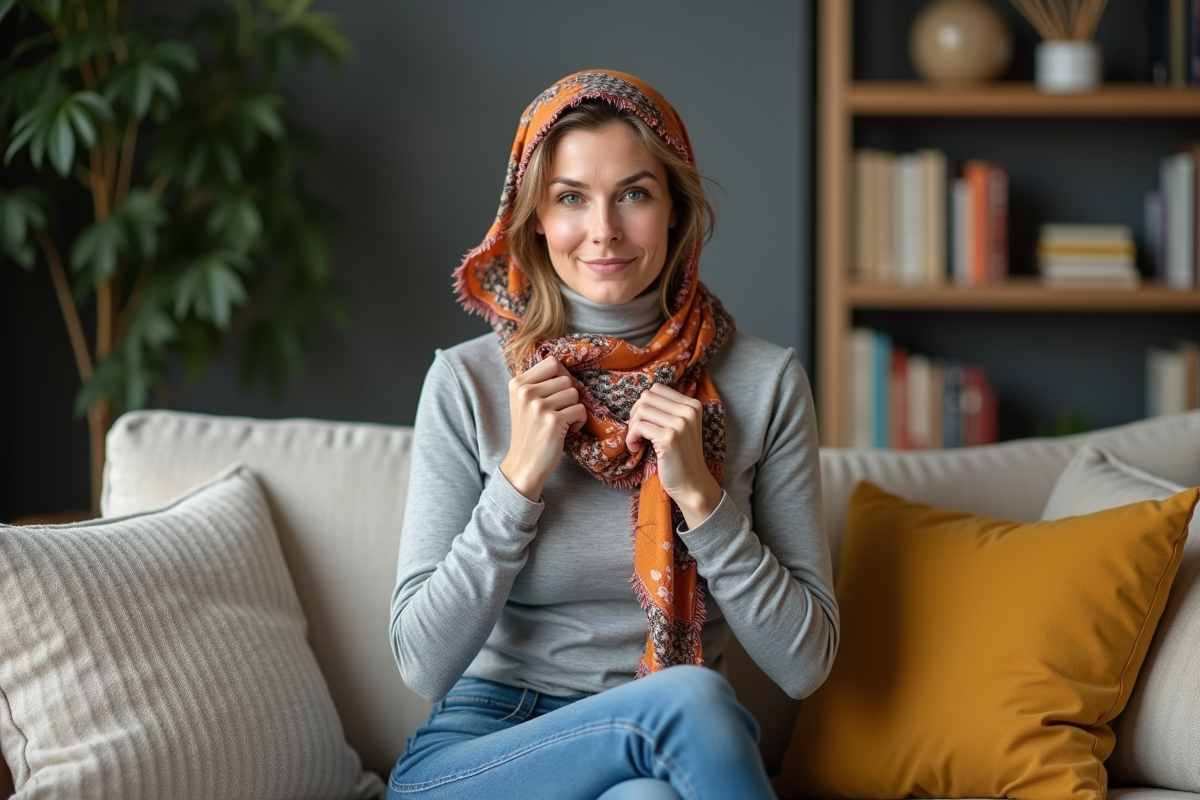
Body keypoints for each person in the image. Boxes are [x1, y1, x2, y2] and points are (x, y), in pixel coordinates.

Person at [388, 70, 838, 800]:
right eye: (571, 198)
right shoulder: (466, 382)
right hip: (485, 752)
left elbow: (805, 663)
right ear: (533, 215)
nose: (603, 230)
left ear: (674, 211)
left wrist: (701, 499)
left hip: (670, 750)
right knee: (689, 700)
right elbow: (420, 664)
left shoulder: (764, 383)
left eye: (633, 193)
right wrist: (518, 482)